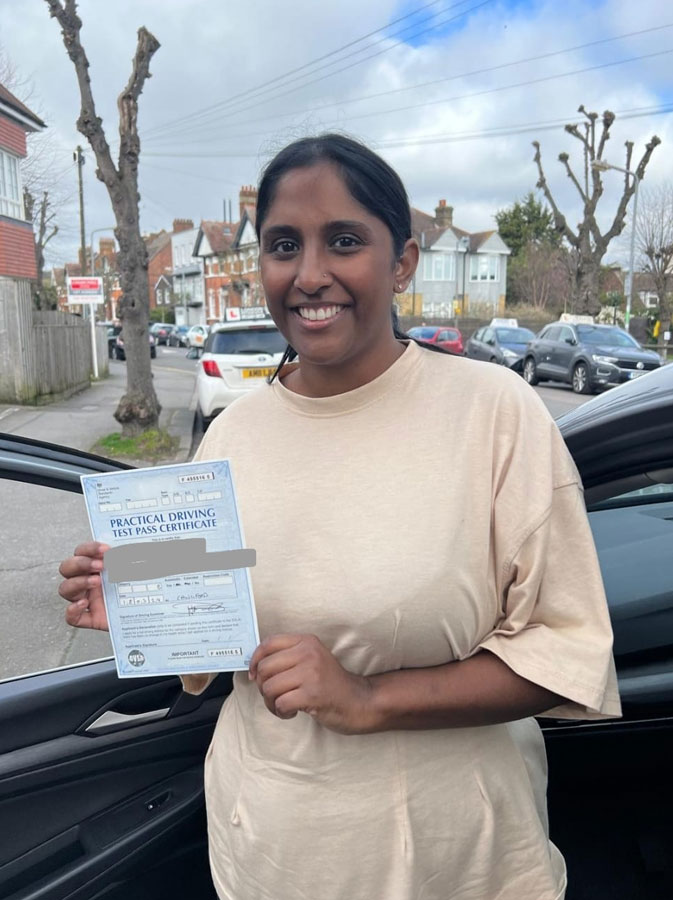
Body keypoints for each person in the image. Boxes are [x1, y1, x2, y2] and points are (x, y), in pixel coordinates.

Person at [58, 134, 621, 900]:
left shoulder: (493, 413)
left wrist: (366, 699)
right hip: (269, 853)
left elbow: (564, 652)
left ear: (402, 262)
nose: (309, 273)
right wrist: (135, 604)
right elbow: (205, 647)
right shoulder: (232, 436)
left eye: (345, 241)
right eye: (284, 245)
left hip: (457, 864)